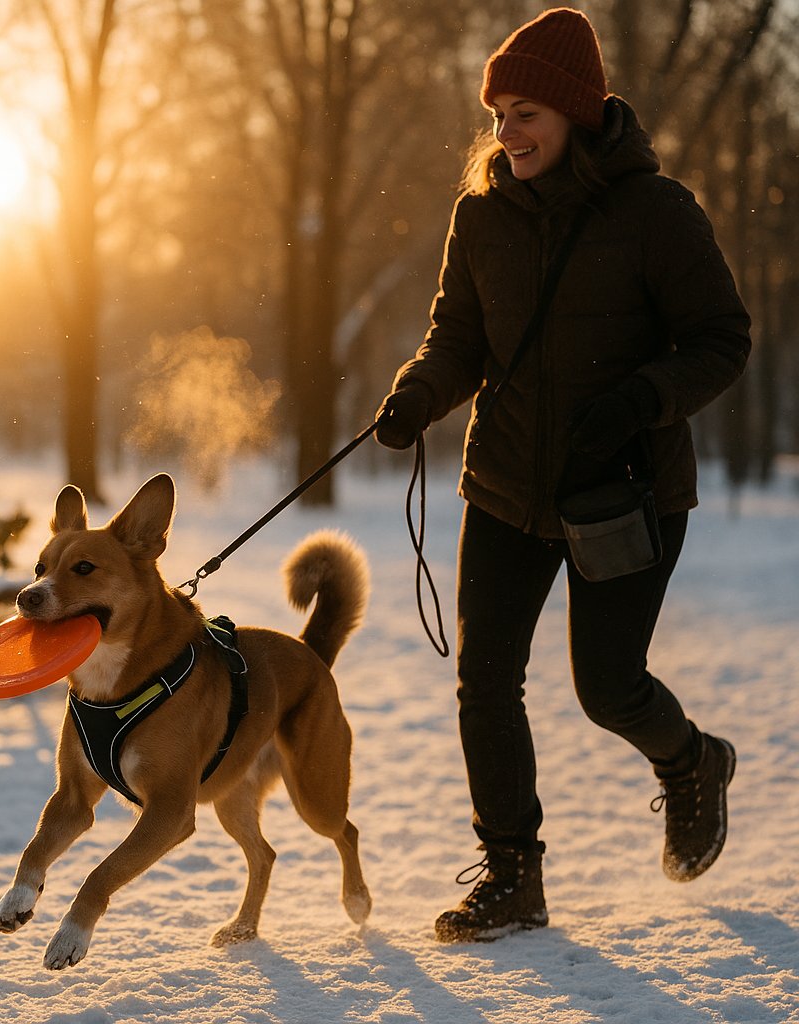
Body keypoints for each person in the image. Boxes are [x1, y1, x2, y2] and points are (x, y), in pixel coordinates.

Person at [375, 7, 751, 943]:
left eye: (527, 112)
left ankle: (693, 761)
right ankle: (512, 876)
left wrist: (642, 399)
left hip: (625, 489)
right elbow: (455, 341)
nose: (508, 133)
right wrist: (419, 394)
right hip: (504, 484)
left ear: (578, 113)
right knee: (485, 681)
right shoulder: (482, 216)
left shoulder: (655, 213)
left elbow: (722, 340)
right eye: (497, 114)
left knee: (607, 686)